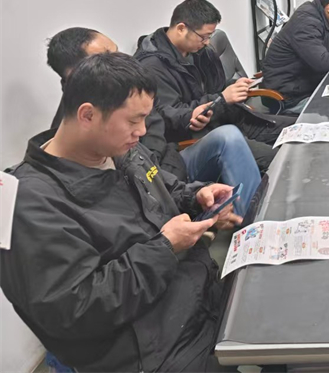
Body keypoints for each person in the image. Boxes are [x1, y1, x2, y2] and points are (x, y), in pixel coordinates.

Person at [0, 53, 241, 372]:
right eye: (133, 120)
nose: (142, 131)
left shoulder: (119, 149)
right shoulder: (29, 203)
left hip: (197, 296)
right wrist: (165, 247)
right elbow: (75, 309)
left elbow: (163, 187)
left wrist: (197, 195)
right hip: (152, 351)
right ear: (88, 115)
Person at [47, 27, 261, 217]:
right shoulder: (85, 134)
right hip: (157, 181)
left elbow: (160, 123)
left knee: (230, 137)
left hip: (167, 171)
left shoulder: (130, 91)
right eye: (107, 57)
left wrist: (191, 193)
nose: (121, 61)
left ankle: (255, 222)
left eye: (117, 52)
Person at [134, 0, 285, 171]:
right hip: (204, 135)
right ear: (181, 28)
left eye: (209, 36)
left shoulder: (200, 51)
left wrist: (235, 85)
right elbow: (169, 118)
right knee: (282, 160)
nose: (207, 42)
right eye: (203, 37)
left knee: (298, 130)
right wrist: (221, 99)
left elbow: (215, 87)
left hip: (231, 118)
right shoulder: (152, 67)